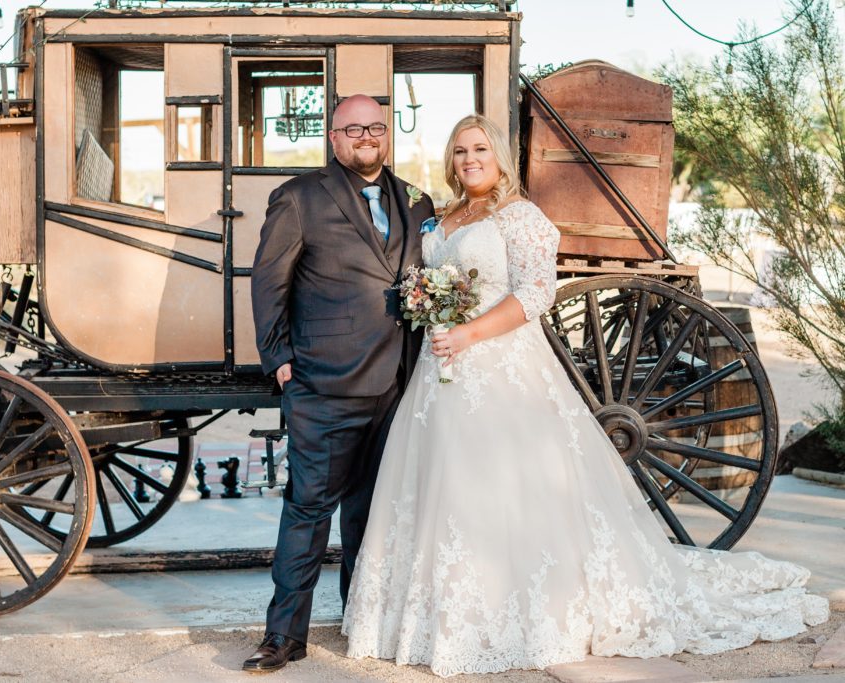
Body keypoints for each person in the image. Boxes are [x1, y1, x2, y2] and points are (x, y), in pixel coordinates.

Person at [341, 114, 830, 677]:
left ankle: (520, 612)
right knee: (437, 482)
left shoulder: (520, 218)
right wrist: (431, 313)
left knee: (504, 484)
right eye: (459, 151)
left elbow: (536, 291)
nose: (469, 159)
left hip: (500, 367)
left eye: (479, 148)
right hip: (440, 372)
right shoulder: (442, 219)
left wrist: (468, 334)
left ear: (499, 154)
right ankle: (431, 615)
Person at [247, 94, 435, 672]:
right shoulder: (301, 198)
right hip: (324, 383)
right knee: (308, 512)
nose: (367, 137)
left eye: (376, 127)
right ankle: (284, 636)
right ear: (334, 138)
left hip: (399, 384)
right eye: (354, 129)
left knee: (371, 514)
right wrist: (278, 356)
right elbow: (268, 281)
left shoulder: (415, 199)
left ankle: (361, 621)